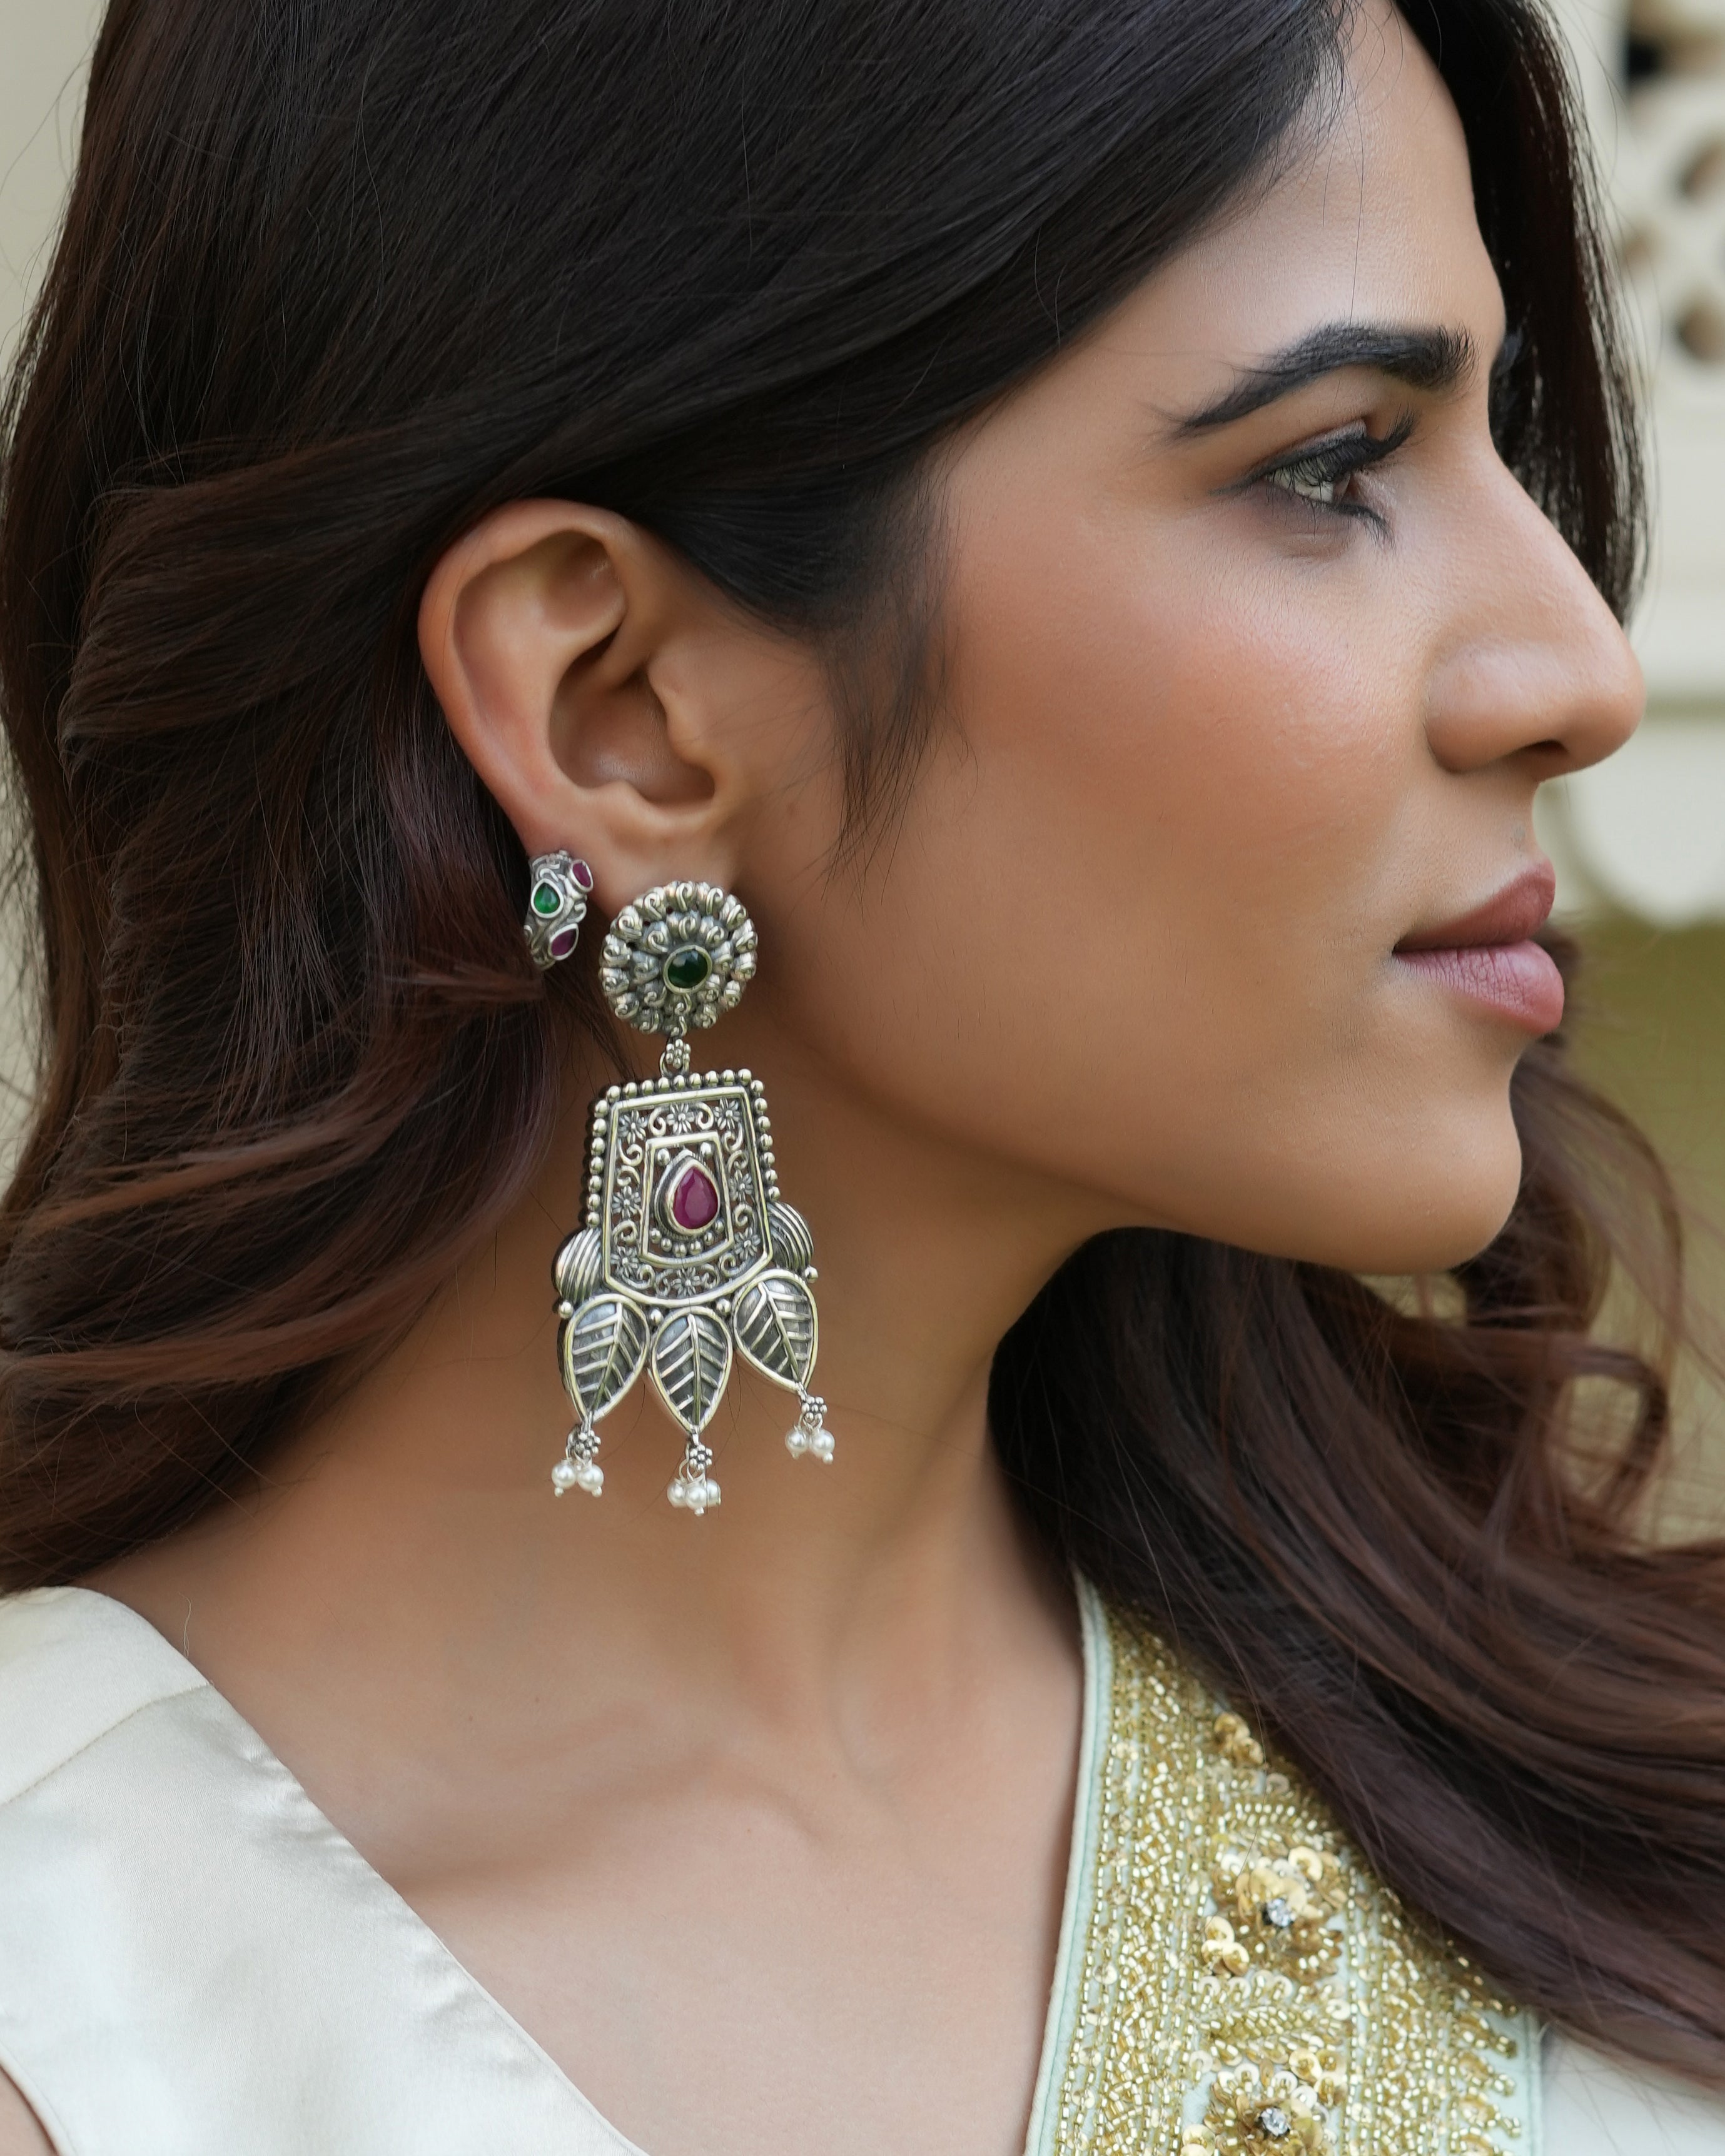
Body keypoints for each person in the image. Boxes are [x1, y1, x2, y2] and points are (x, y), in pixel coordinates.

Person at [1, 0, 1722, 2147]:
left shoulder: (1624, 1845)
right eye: (1335, 462)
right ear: (623, 709)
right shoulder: (87, 2010)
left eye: (1513, 441)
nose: (1573, 667)